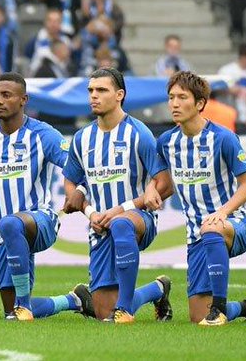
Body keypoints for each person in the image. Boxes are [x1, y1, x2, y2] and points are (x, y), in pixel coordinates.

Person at [0, 72, 92, 320]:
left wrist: (79, 190)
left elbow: (75, 166)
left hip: (40, 220)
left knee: (11, 223)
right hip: (6, 234)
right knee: (9, 313)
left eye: (6, 95)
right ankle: (73, 300)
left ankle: (23, 306)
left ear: (24, 100)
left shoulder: (44, 135)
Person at [155, 71, 246, 325]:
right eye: (171, 97)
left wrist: (222, 212)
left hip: (234, 224)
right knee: (197, 316)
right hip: (196, 234)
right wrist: (152, 193)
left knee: (211, 228)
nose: (174, 103)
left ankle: (218, 309)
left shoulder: (223, 138)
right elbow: (163, 185)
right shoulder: (166, 142)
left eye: (182, 97)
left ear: (199, 104)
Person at [61, 69, 174, 324]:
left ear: (119, 95)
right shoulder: (82, 138)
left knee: (122, 223)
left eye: (101, 90)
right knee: (103, 313)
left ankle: (124, 309)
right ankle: (158, 289)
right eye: (90, 90)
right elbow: (70, 182)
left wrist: (122, 208)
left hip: (138, 221)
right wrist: (91, 213)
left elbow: (165, 184)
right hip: (100, 228)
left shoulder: (139, 133)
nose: (94, 96)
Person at [217, 44, 246, 130]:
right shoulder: (226, 71)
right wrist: (229, 90)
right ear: (243, 57)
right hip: (231, 117)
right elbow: (216, 91)